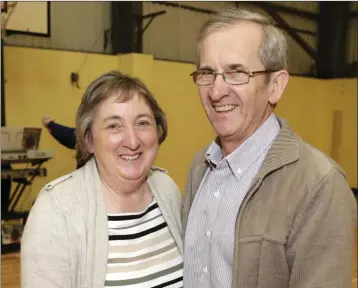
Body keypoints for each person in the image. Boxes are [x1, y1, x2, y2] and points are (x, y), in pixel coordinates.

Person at [182, 7, 357, 288]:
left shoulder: (319, 186)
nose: (216, 91)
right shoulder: (199, 168)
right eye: (207, 73)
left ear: (275, 85)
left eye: (236, 72)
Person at [21, 71, 183, 287]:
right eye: (114, 126)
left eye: (143, 123)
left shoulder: (167, 190)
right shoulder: (56, 210)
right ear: (88, 140)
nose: (133, 140)